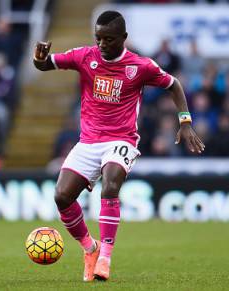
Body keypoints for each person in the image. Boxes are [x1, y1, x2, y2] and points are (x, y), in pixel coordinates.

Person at [33, 10, 204, 282]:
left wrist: (185, 122)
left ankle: (105, 259)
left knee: (110, 185)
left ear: (123, 38)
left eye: (109, 39)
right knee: (62, 196)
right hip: (88, 141)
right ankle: (90, 249)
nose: (102, 44)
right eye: (98, 38)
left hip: (121, 139)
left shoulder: (140, 66)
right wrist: (38, 58)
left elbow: (174, 84)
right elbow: (45, 65)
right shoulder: (84, 56)